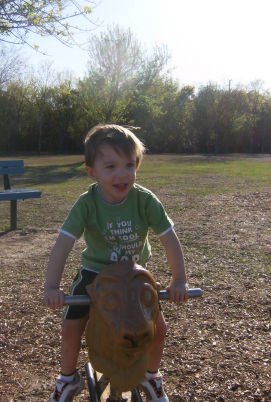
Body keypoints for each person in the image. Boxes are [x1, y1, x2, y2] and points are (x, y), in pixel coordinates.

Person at [43, 124, 188, 402]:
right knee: (71, 326)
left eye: (129, 165)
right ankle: (67, 378)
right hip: (95, 275)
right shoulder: (86, 204)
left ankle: (151, 375)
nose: (122, 174)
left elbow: (168, 238)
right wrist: (52, 286)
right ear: (92, 172)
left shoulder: (145, 200)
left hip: (136, 277)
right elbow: (64, 243)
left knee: (158, 330)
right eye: (111, 166)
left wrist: (179, 279)